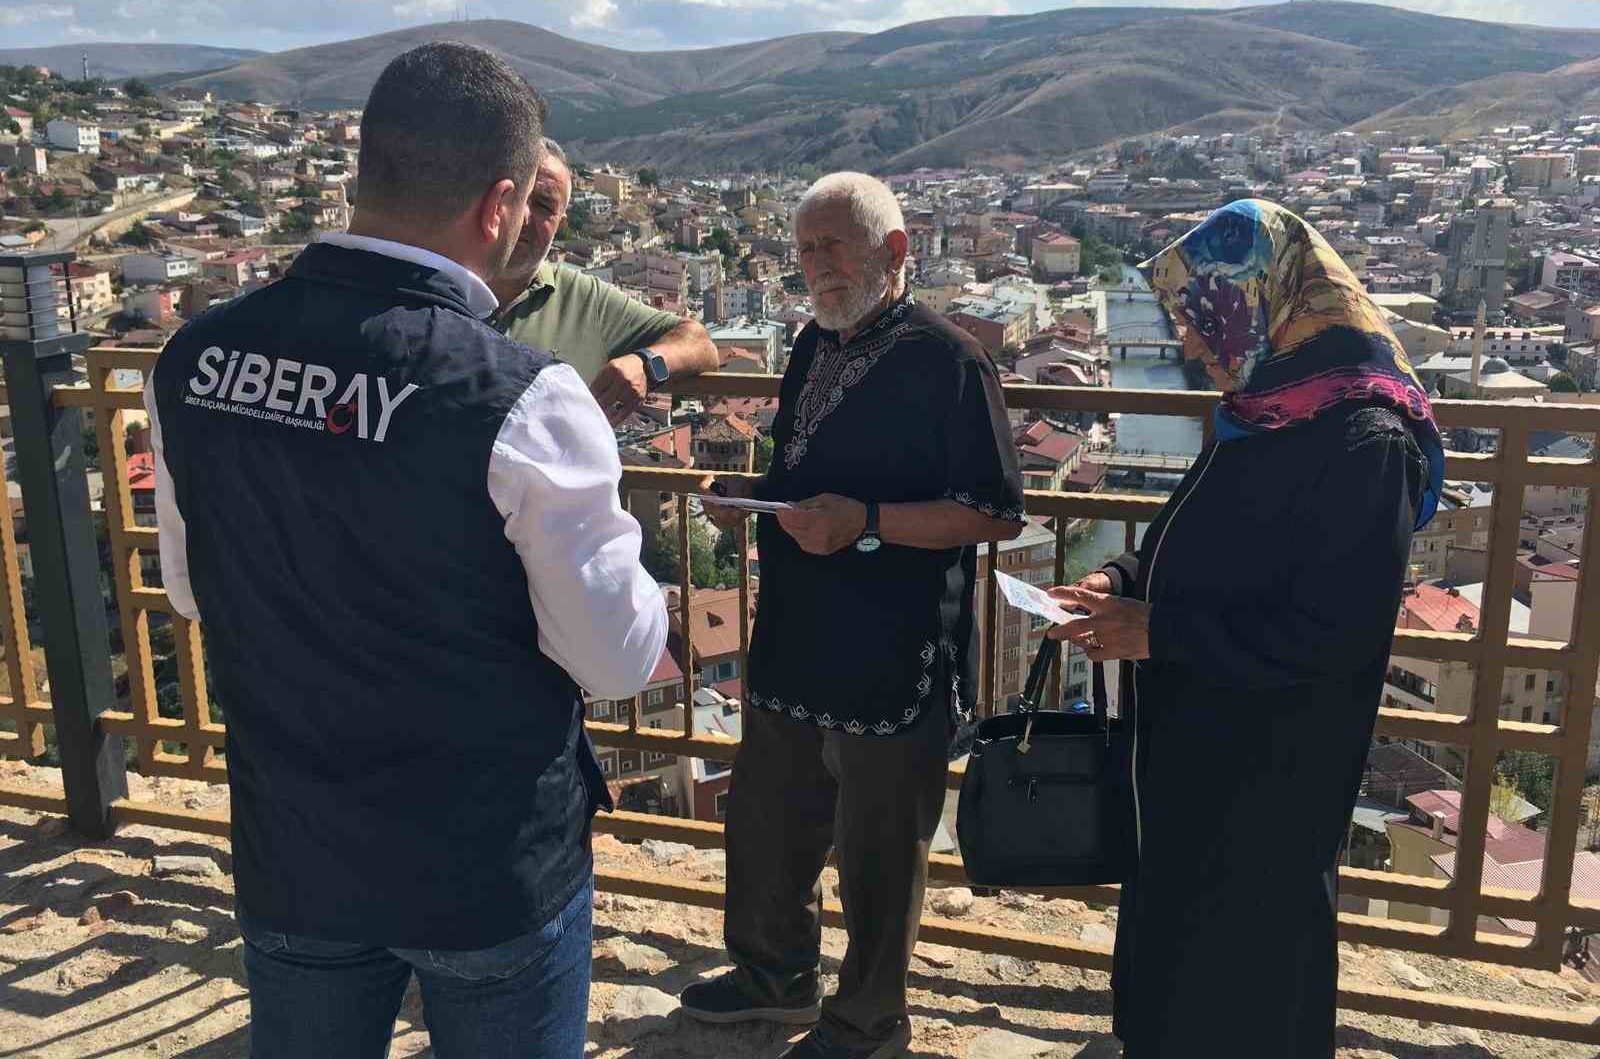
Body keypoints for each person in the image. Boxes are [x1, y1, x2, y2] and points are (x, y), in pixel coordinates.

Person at [144, 41, 668, 1059]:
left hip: (293, 845)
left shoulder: (194, 359)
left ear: (361, 175)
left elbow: (194, 592)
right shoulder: (523, 394)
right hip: (484, 865)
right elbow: (610, 662)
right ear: (498, 204)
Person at [1046, 199, 1442, 1058]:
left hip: (1273, 770)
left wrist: (1160, 633)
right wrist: (1115, 580)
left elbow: (1335, 636)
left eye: (1203, 323)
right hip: (1191, 752)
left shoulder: (1366, 444)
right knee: (1175, 951)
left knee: (1251, 974)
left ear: (1269, 302)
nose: (1190, 348)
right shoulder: (1261, 414)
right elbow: (1189, 546)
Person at [680, 172, 1026, 1059]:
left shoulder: (951, 360)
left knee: (878, 851)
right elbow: (800, 481)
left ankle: (869, 1020)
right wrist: (748, 499)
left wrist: (867, 523)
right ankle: (775, 976)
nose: (816, 267)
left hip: (896, 645)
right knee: (770, 819)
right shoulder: (812, 344)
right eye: (804, 250)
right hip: (799, 631)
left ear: (895, 250)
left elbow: (995, 511)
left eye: (834, 245)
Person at [487, 139, 718, 424]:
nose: (524, 216)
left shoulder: (585, 299)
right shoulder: (442, 280)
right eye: (518, 196)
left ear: (560, 224)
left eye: (544, 205)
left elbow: (701, 344)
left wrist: (646, 364)